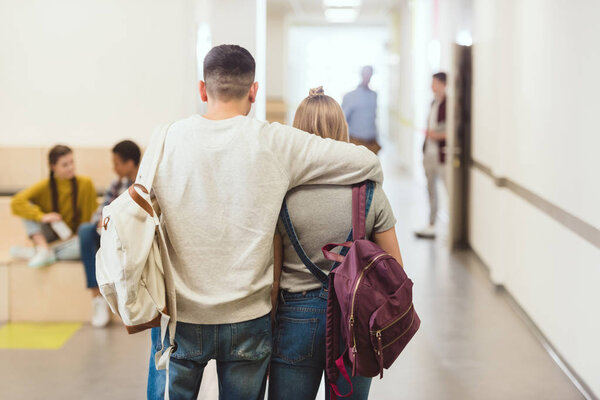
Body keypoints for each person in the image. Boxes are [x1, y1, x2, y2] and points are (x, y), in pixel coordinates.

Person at [146, 44, 383, 400]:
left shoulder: (165, 139)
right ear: (253, 91)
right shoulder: (275, 140)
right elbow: (367, 162)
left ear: (202, 88)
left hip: (183, 316)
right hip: (247, 317)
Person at [268, 87, 403, 400]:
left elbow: (272, 281)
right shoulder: (370, 191)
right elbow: (394, 270)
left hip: (296, 317)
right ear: (343, 129)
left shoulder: (282, 191)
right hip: (355, 319)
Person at [78, 140, 141, 328]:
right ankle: (97, 297)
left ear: (130, 163)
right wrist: (101, 219)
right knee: (85, 231)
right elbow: (101, 210)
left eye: (117, 163)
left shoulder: (145, 185)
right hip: (109, 232)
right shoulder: (116, 184)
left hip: (132, 236)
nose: (114, 168)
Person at [10, 145, 98, 267]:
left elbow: (89, 221)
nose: (71, 168)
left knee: (85, 245)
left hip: (73, 240)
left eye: (72, 162)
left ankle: (41, 252)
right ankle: (42, 248)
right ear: (53, 167)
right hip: (49, 236)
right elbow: (16, 202)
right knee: (26, 206)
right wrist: (42, 216)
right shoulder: (45, 186)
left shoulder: (85, 184)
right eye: (65, 165)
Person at [415, 72, 447, 239]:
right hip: (429, 153)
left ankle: (452, 227)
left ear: (443, 84)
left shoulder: (448, 105)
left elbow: (451, 132)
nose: (431, 86)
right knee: (431, 190)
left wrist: (436, 135)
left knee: (448, 190)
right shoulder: (433, 103)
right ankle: (432, 224)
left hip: (443, 156)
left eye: (434, 83)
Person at [341, 65, 380, 154]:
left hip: (372, 142)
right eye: (366, 73)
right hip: (356, 142)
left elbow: (374, 118)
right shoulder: (350, 96)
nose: (368, 76)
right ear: (361, 74)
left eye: (370, 74)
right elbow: (342, 121)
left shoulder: (374, 95)